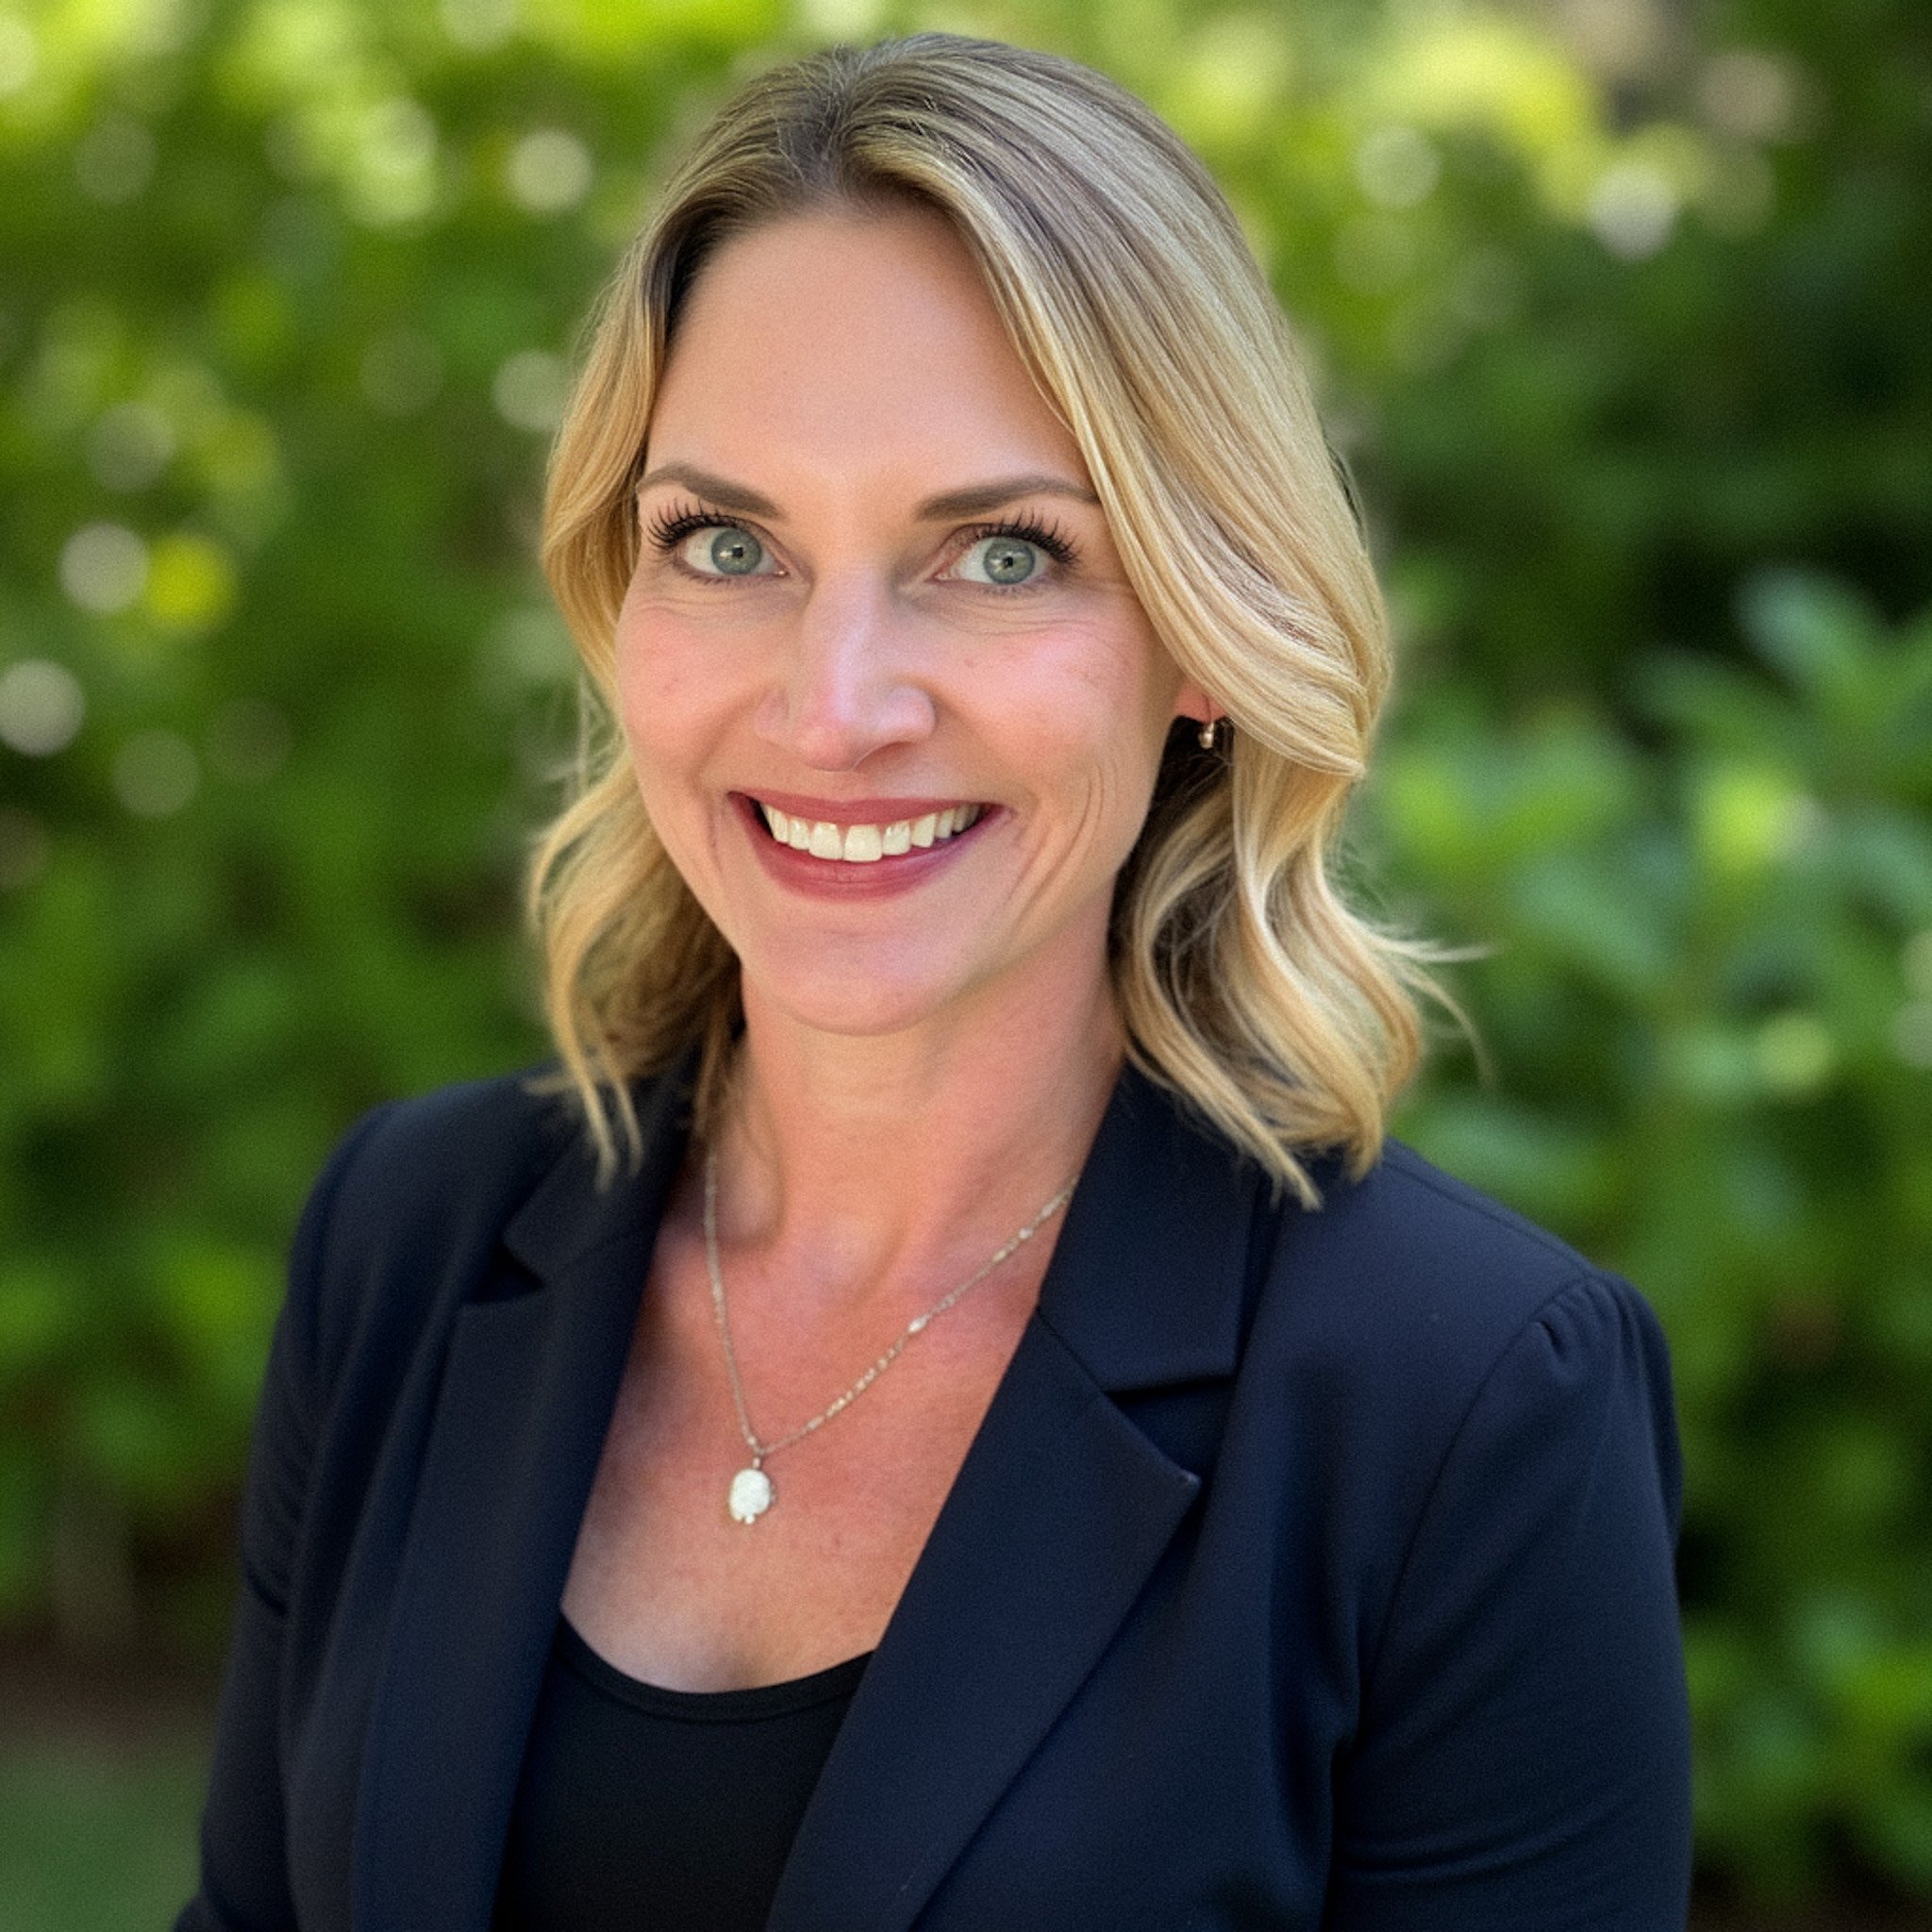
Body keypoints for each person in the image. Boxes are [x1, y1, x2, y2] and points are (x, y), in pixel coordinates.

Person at [178, 33, 1691, 1932]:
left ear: (1204, 625)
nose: (834, 707)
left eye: (996, 553)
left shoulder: (1463, 1400)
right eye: (726, 542)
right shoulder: (408, 1240)